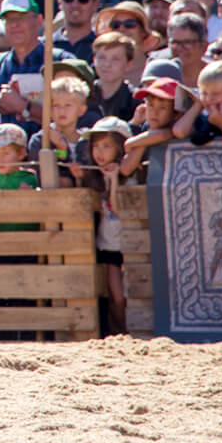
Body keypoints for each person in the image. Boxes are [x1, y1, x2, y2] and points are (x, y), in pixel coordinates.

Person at [0, 0, 71, 129]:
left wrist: (23, 107)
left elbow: (75, 119)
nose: (14, 25)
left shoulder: (62, 63)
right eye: (9, 20)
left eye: (21, 18)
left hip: (49, 149)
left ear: (38, 21)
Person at [82, 116, 135, 332]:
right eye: (96, 146)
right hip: (107, 246)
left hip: (129, 245)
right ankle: (119, 333)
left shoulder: (130, 177)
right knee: (115, 297)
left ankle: (130, 331)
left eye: (106, 146)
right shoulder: (95, 176)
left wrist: (114, 180)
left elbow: (117, 208)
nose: (99, 152)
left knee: (126, 297)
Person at [89, 31, 138, 121]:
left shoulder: (135, 100)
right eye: (102, 58)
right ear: (94, 60)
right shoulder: (84, 95)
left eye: (115, 59)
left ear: (129, 64)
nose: (107, 64)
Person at [166, 12, 208, 88]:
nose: (179, 48)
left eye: (187, 42)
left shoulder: (218, 76)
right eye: (175, 42)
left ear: (204, 46)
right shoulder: (161, 74)